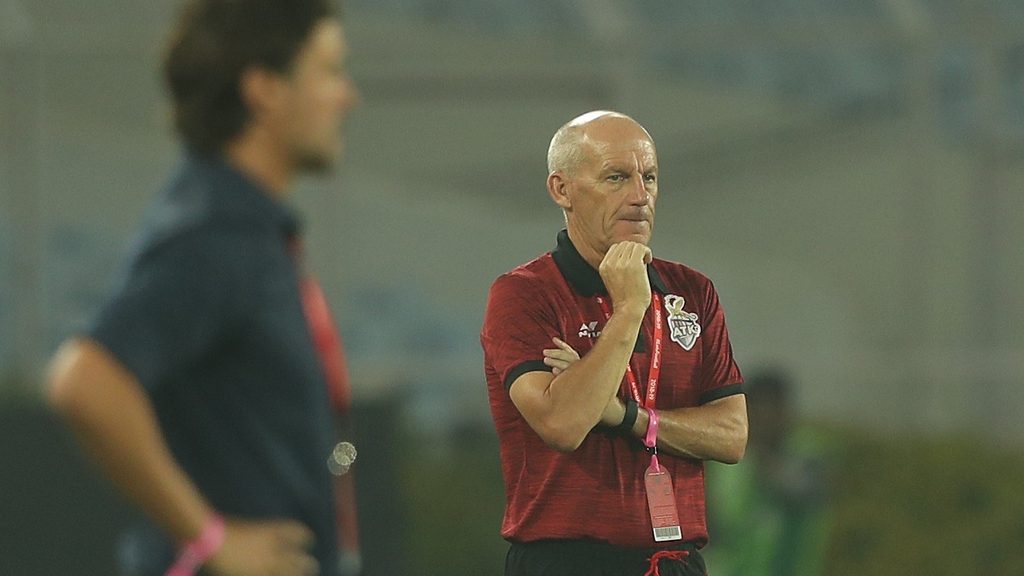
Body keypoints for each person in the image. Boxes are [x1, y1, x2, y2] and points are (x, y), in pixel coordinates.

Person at [45, 1, 360, 575]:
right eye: (329, 71)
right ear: (264, 88)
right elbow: (86, 379)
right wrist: (213, 539)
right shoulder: (216, 232)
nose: (348, 96)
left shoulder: (246, 226)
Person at [481, 110, 748, 576]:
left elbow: (732, 435)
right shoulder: (525, 294)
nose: (640, 196)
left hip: (677, 560)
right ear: (561, 189)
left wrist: (626, 415)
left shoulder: (692, 292)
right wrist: (629, 309)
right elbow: (564, 423)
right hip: (568, 561)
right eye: (616, 178)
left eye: (650, 177)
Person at [703, 368, 832, 576]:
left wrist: (765, 460)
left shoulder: (808, 454)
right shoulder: (720, 460)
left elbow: (804, 491)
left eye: (773, 412)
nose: (766, 421)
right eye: (759, 411)